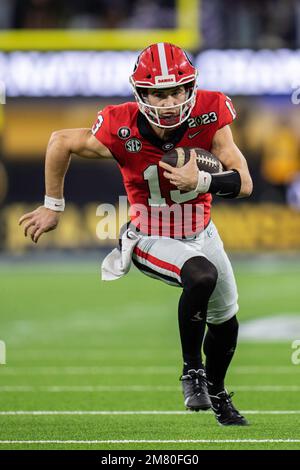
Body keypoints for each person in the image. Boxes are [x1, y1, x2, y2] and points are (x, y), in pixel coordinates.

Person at [19, 42, 253, 426]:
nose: (170, 101)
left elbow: (244, 183)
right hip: (149, 235)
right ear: (141, 94)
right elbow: (61, 141)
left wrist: (204, 179)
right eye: (159, 93)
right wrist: (52, 205)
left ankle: (218, 391)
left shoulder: (211, 112)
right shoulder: (119, 124)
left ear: (191, 87)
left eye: (177, 90)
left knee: (226, 321)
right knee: (201, 275)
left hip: (202, 231)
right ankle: (191, 371)